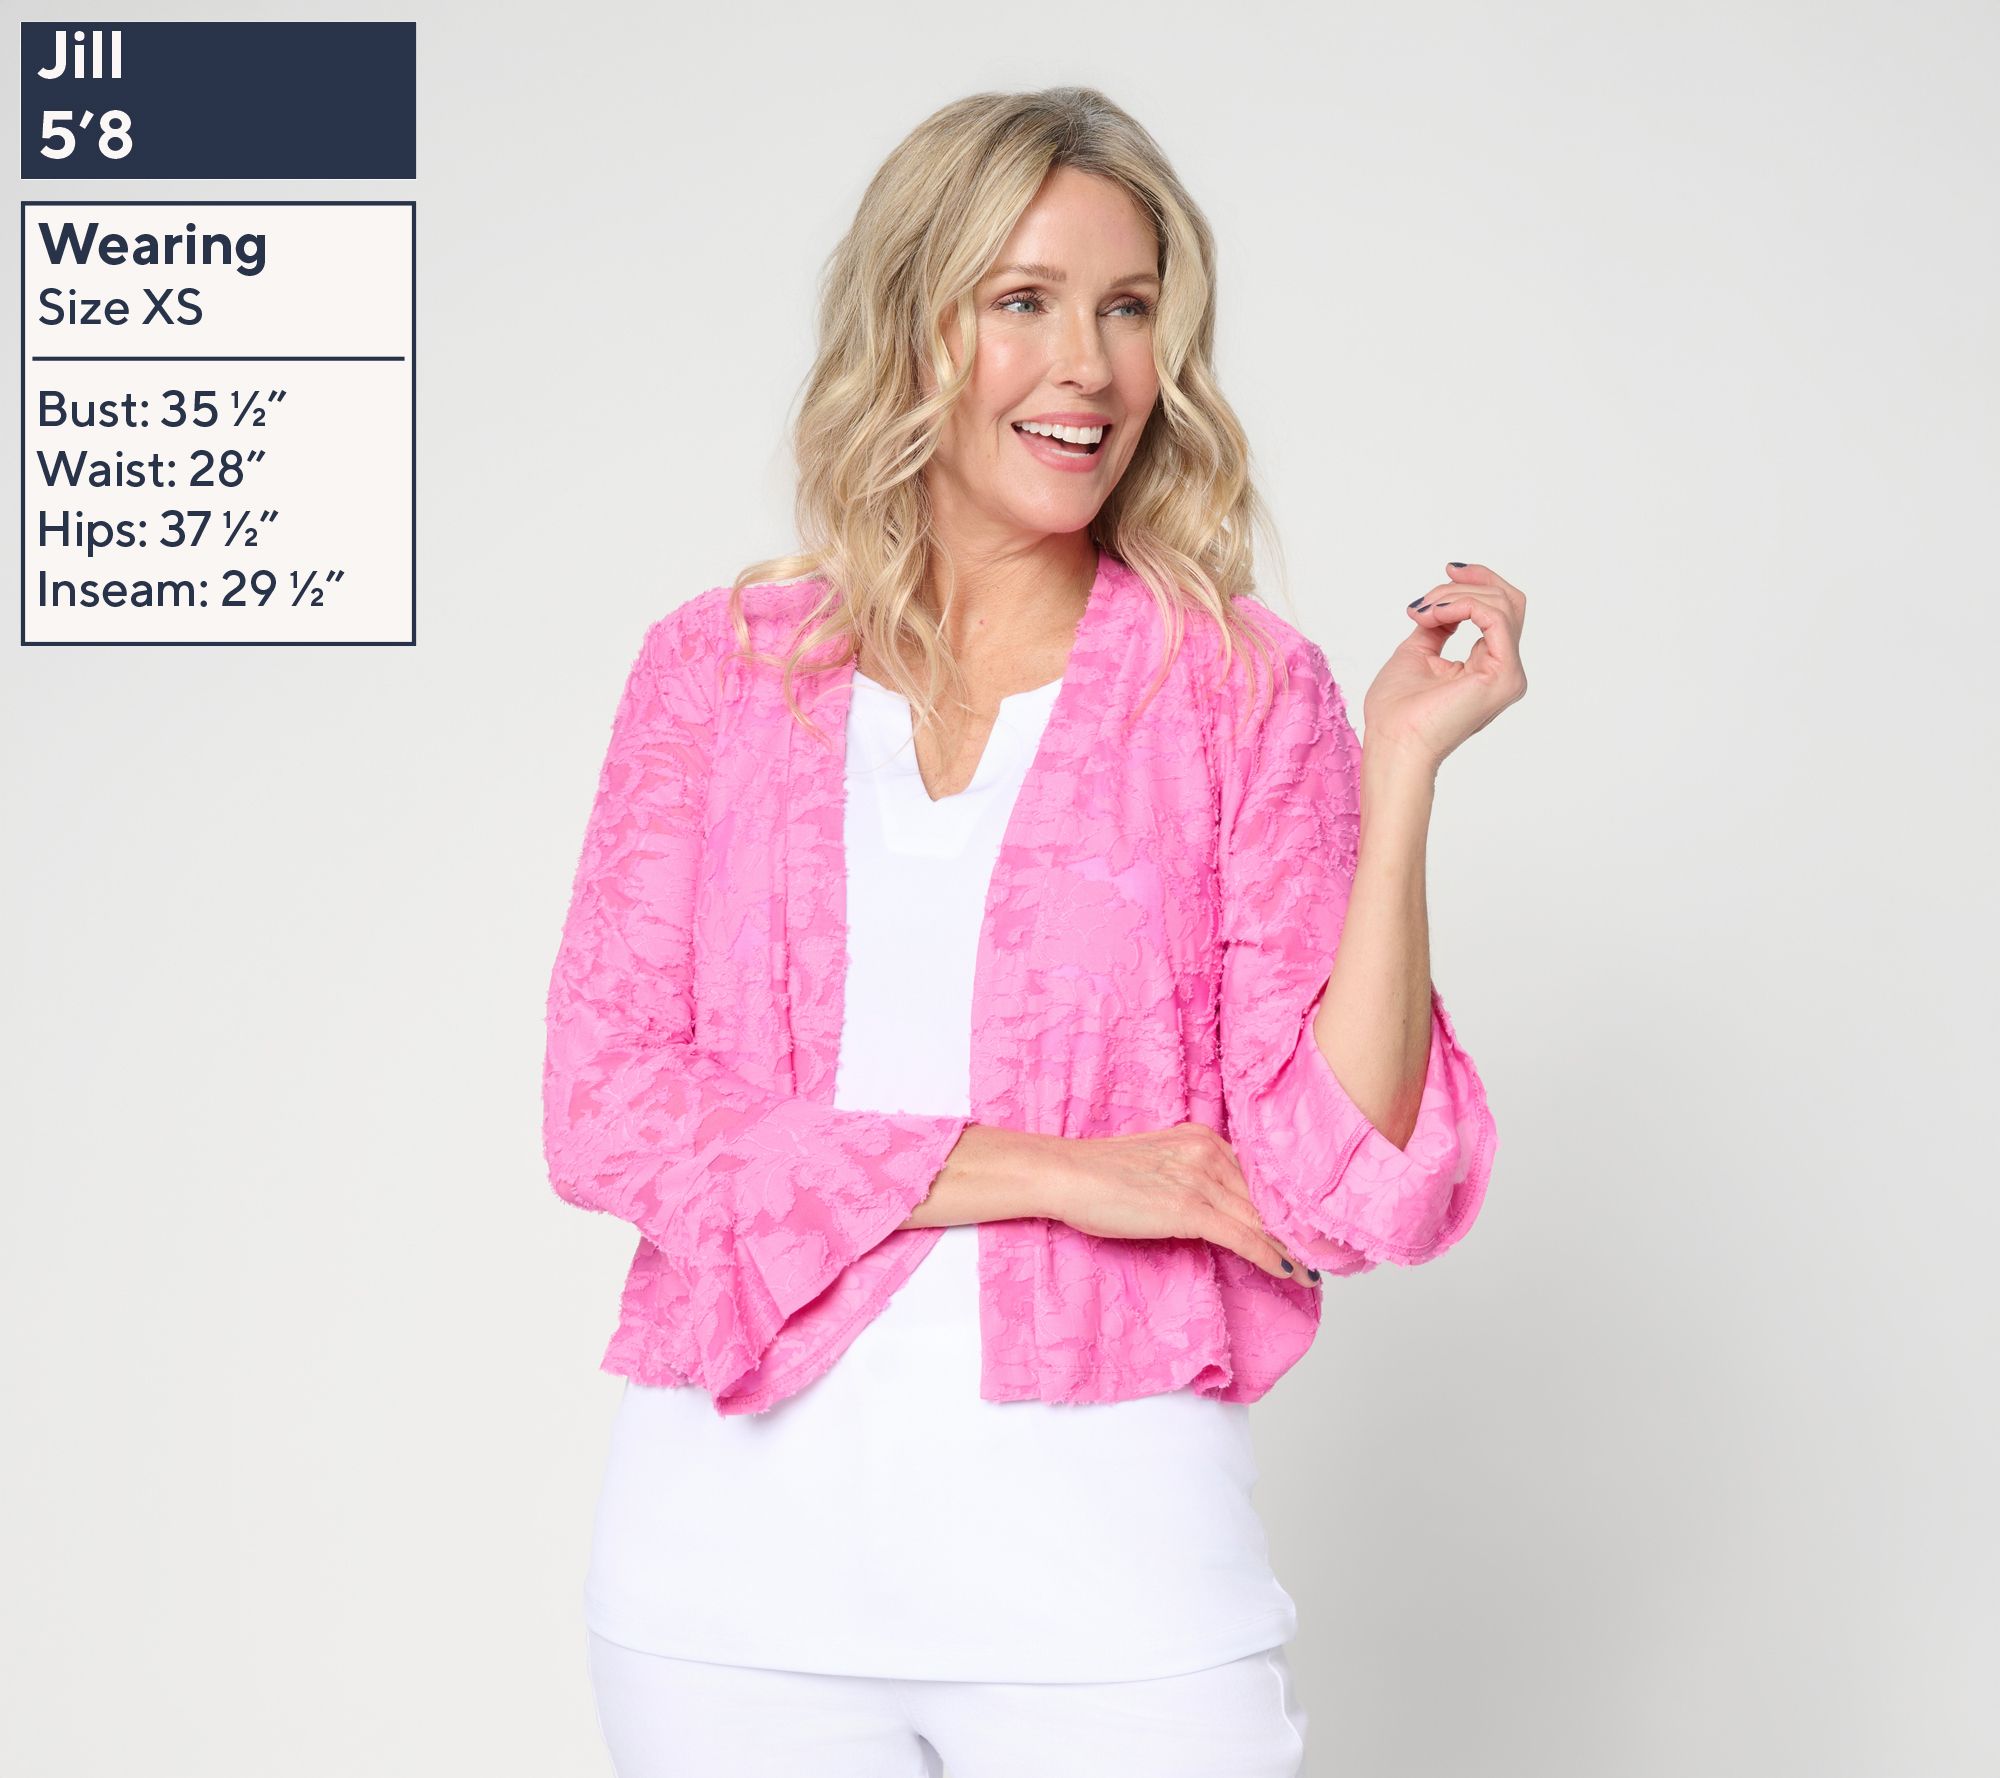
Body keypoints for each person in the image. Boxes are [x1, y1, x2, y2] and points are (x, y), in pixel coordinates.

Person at [543, 84, 1523, 1778]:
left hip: (1108, 1578)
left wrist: (1400, 768)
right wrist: (1057, 1169)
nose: (1089, 365)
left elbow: (1333, 1182)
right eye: (1025, 300)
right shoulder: (721, 672)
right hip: (725, 1584)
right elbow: (607, 1107)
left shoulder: (1237, 687)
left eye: (1129, 309)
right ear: (911, 327)